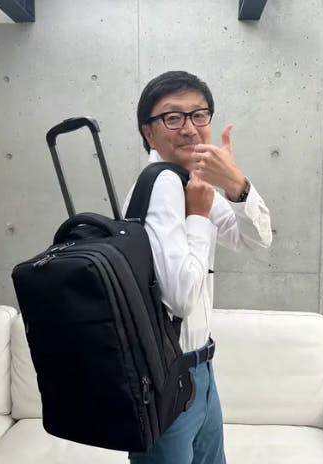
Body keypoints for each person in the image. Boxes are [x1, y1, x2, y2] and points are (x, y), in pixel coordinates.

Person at [123, 70, 273, 464]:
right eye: (173, 117)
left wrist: (236, 184)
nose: (190, 128)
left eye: (199, 114)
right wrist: (200, 216)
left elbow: (255, 239)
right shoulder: (162, 186)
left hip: (200, 370)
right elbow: (181, 299)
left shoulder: (189, 181)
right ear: (148, 133)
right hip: (166, 377)